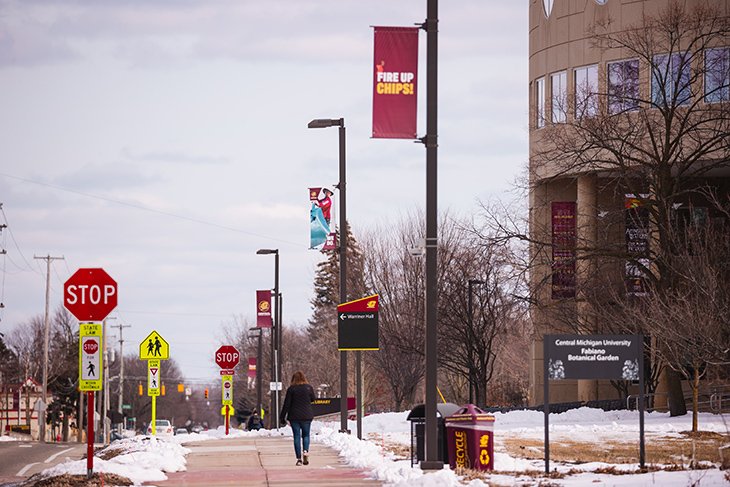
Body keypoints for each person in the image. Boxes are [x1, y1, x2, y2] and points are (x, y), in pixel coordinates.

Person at [279, 371, 316, 466]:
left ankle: (299, 459)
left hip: (294, 416)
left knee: (296, 436)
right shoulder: (309, 388)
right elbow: (313, 399)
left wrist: (282, 417)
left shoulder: (291, 389)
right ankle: (305, 451)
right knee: (306, 435)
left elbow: (286, 404)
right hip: (307, 416)